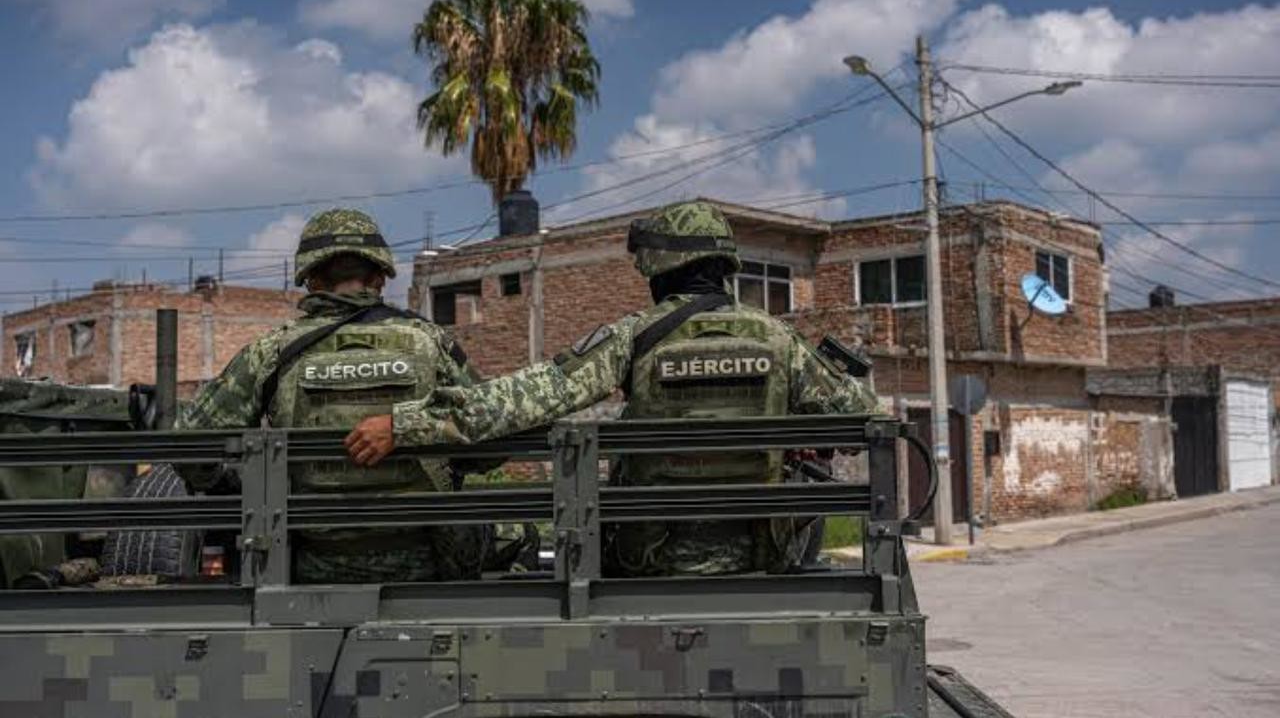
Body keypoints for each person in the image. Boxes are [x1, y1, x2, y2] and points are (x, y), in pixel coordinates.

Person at [345, 200, 880, 576]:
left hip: (650, 558)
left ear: (657, 267)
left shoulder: (635, 338)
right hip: (760, 554)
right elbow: (863, 417)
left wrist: (406, 423)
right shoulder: (782, 341)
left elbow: (525, 398)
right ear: (724, 266)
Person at [176, 208, 484, 583]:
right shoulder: (431, 343)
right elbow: (487, 442)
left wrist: (228, 484)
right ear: (379, 278)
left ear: (312, 280)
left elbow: (190, 449)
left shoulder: (271, 352)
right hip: (424, 567)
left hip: (312, 570)